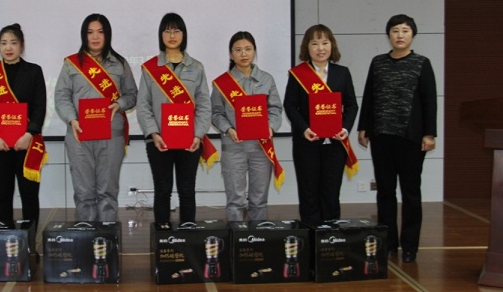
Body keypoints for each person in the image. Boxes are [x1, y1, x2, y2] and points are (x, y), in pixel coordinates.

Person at [357, 14, 437, 263]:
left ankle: (410, 246)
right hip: (382, 136)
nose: (400, 35)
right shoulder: (378, 62)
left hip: (411, 138)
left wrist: (429, 133)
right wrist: (363, 127)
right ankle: (388, 242)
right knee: (385, 192)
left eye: (405, 30)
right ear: (388, 35)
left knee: (411, 192)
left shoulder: (421, 63)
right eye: (395, 31)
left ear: (412, 34)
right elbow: (369, 96)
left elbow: (430, 101)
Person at [54, 14, 137, 221]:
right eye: (90, 32)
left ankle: (107, 236)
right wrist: (72, 119)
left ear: (107, 35)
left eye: (100, 32)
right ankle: (87, 234)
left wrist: (119, 104)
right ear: (84, 35)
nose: (95, 37)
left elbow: (132, 95)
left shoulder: (120, 63)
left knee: (108, 192)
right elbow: (61, 96)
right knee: (84, 193)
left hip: (111, 135)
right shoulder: (72, 64)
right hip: (79, 134)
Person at [137, 13, 216, 227]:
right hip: (158, 141)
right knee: (162, 190)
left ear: (184, 34)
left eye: (176, 30)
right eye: (167, 31)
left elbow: (204, 104)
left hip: (190, 141)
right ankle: (163, 238)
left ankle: (187, 236)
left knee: (187, 190)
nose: (172, 35)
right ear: (161, 35)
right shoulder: (150, 68)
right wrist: (154, 133)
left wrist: (197, 135)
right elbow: (143, 104)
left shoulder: (196, 67)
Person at [283, 24, 359, 227]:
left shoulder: (342, 73)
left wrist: (345, 128)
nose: (320, 48)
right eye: (314, 43)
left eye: (325, 43)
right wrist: (304, 129)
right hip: (307, 143)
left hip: (335, 143)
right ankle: (310, 235)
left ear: (332, 45)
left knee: (331, 191)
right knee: (308, 191)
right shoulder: (298, 74)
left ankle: (330, 237)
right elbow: (290, 106)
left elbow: (351, 105)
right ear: (307, 47)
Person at [211, 31, 283, 222]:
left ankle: (257, 236)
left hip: (261, 147)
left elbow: (275, 108)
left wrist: (270, 127)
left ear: (254, 51)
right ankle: (236, 236)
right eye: (238, 50)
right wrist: (229, 129)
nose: (243, 54)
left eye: (248, 49)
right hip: (233, 146)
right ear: (230, 54)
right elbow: (215, 113)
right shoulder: (222, 83)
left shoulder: (266, 79)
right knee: (235, 201)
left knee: (259, 200)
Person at [0, 24, 47, 225]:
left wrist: (29, 134)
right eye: (3, 43)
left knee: (29, 195)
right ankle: (4, 237)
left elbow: (40, 106)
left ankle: (29, 238)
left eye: (13, 43)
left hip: (27, 143)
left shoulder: (34, 71)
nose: (8, 48)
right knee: (3, 194)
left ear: (21, 46)